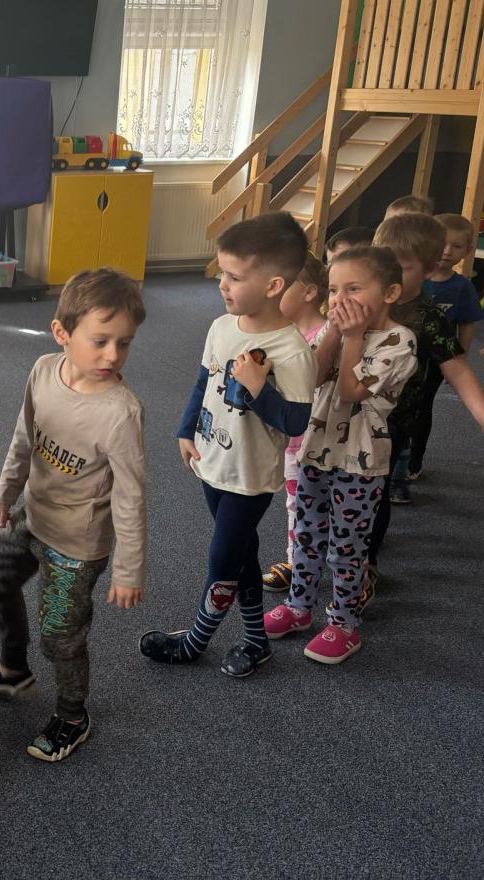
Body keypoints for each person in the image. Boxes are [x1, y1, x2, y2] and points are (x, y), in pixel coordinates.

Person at [0, 268, 147, 763]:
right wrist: (7, 489)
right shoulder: (42, 371)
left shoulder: (121, 413)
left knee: (59, 635)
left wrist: (128, 568)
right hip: (33, 516)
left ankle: (73, 714)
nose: (113, 355)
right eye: (100, 341)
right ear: (62, 333)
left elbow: (131, 496)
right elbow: (24, 437)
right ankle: (13, 669)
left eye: (124, 343)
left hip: (76, 544)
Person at [140, 212, 317, 678]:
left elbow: (295, 422)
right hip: (212, 458)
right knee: (241, 552)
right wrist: (185, 429)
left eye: (235, 276)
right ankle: (256, 640)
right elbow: (204, 382)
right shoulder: (222, 326)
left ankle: (195, 642)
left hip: (249, 476)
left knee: (222, 557)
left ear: (273, 285)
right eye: (223, 272)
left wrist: (258, 389)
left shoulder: (292, 351)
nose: (222, 283)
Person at [263, 246, 416, 663]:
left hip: (360, 463)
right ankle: (299, 607)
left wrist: (351, 337)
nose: (340, 299)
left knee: (347, 548)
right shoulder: (338, 328)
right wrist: (334, 330)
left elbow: (350, 392)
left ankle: (344, 624)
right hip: (316, 449)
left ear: (390, 293)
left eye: (353, 288)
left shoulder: (399, 340)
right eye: (334, 290)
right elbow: (311, 377)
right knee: (306, 534)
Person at [364, 214, 484, 591]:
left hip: (393, 421)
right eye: (383, 263)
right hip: (345, 415)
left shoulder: (428, 316)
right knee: (333, 487)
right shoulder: (362, 298)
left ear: (430, 270)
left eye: (402, 267)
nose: (389, 275)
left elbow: (457, 367)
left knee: (375, 491)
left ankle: (367, 563)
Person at [263, 254, 329, 592]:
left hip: (320, 440)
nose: (272, 295)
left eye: (282, 287)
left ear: (309, 292)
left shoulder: (327, 334)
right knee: (296, 504)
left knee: (320, 507)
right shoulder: (280, 334)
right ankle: (297, 562)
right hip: (291, 439)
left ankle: (330, 566)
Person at [406, 213, 484, 478]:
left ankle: (414, 461)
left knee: (422, 405)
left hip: (438, 358)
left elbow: (467, 324)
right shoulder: (415, 279)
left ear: (468, 251)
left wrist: (460, 357)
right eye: (442, 244)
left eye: (456, 246)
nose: (447, 251)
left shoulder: (462, 287)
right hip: (404, 352)